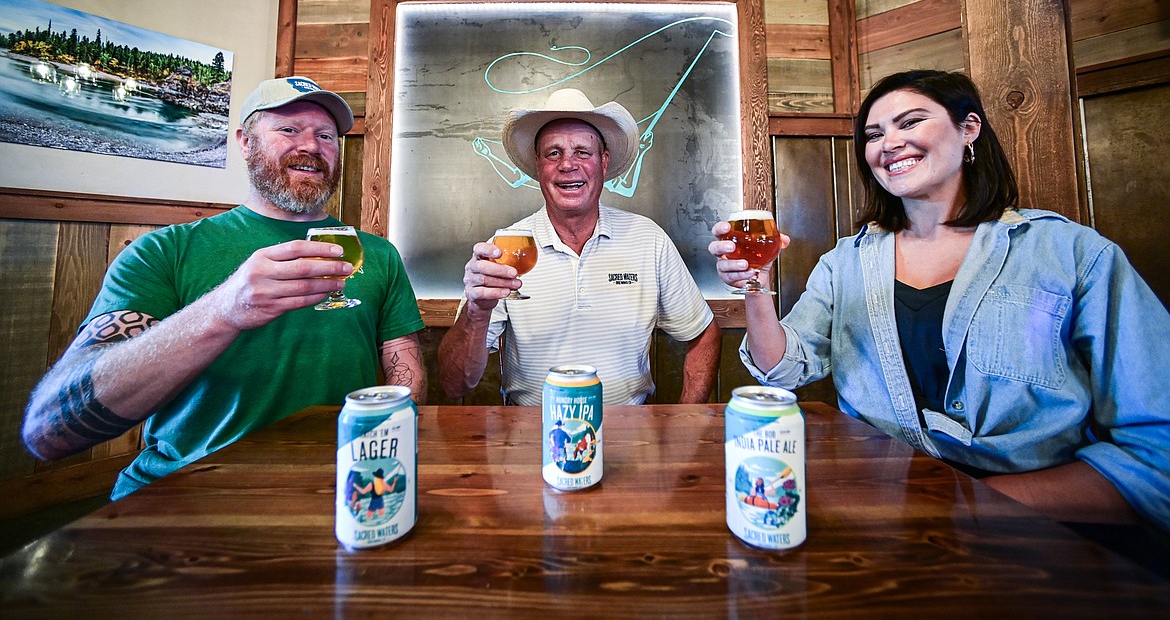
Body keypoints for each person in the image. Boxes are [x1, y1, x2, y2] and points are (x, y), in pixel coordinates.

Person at [710, 69, 1170, 533]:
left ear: (969, 129)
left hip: (1043, 532)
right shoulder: (844, 262)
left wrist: (958, 505)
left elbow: (1156, 453)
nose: (888, 143)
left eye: (909, 122)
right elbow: (785, 368)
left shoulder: (1070, 253)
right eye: (874, 134)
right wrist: (754, 283)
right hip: (887, 523)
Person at [21, 76, 426, 499]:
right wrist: (223, 310)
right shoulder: (164, 251)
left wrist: (382, 458)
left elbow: (406, 373)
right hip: (183, 493)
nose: (310, 145)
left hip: (336, 488)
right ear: (245, 142)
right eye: (288, 129)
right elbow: (49, 433)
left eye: (325, 135)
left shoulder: (376, 254)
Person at [439, 88, 722, 406]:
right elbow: (454, 385)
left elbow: (704, 334)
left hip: (630, 437)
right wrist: (477, 314)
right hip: (530, 438)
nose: (567, 165)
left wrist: (687, 421)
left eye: (582, 152)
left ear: (603, 162)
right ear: (538, 166)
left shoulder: (648, 239)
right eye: (553, 153)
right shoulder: (504, 250)